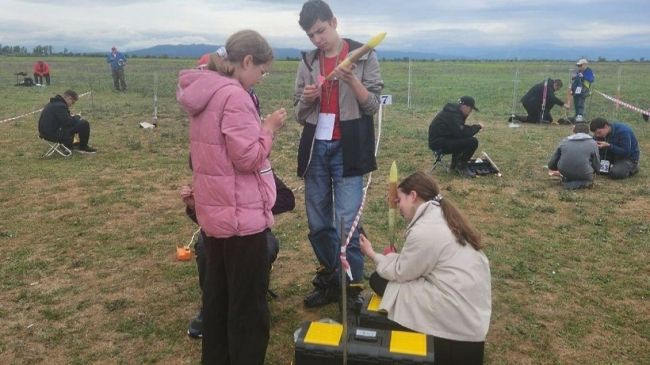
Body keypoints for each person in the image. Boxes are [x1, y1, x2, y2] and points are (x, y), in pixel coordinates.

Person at [176, 29, 287, 365]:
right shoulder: (234, 96)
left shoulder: (205, 92)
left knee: (218, 301)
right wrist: (267, 130)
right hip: (242, 220)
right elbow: (248, 158)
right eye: (261, 71)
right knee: (248, 309)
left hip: (216, 217)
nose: (261, 79)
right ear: (247, 61)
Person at [294, 0, 384, 311]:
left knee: (348, 222)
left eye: (320, 30)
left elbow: (373, 105)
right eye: (311, 35)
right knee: (318, 222)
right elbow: (298, 111)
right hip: (316, 149)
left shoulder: (364, 55)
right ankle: (333, 277)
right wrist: (309, 99)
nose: (317, 39)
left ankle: (353, 285)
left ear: (333, 21)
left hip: (350, 148)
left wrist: (353, 81)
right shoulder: (307, 62)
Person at [359, 172, 491, 365]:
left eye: (400, 199)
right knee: (386, 278)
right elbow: (417, 262)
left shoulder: (425, 229)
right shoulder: (439, 215)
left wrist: (372, 254)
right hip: (470, 310)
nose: (397, 206)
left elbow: (400, 272)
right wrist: (390, 258)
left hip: (456, 313)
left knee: (378, 280)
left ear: (413, 196)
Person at [181, 173, 295, 339]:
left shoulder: (256, 167)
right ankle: (211, 308)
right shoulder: (211, 172)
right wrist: (194, 206)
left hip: (254, 232)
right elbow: (205, 220)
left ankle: (252, 306)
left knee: (267, 247)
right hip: (219, 234)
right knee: (205, 248)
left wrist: (250, 204)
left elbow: (287, 199)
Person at [428, 96, 484, 178]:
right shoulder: (453, 114)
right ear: (465, 107)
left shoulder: (453, 112)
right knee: (473, 142)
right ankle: (461, 166)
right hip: (438, 143)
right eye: (471, 109)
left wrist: (474, 127)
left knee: (460, 139)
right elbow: (461, 132)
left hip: (439, 140)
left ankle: (455, 165)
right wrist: (477, 127)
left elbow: (459, 129)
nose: (470, 112)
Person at [37, 89, 97, 153]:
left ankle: (70, 144)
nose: (72, 104)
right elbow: (68, 123)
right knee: (84, 124)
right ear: (69, 98)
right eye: (73, 102)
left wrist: (71, 117)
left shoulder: (54, 103)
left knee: (75, 124)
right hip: (52, 134)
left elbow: (61, 120)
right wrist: (77, 117)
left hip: (46, 132)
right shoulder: (60, 106)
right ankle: (83, 146)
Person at [548, 123, 600, 189]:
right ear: (588, 132)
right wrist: (597, 171)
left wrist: (553, 167)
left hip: (564, 171)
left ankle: (569, 178)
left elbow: (554, 160)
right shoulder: (593, 143)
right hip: (585, 173)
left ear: (574, 131)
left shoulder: (565, 141)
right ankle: (583, 182)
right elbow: (596, 162)